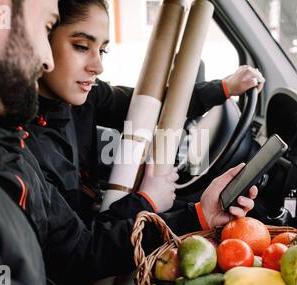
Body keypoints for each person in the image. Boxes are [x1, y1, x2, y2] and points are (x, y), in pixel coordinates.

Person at [0, 0, 257, 285]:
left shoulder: (6, 149)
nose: (45, 60)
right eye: (47, 29)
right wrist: (146, 202)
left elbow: (70, 251)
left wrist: (198, 214)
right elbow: (75, 256)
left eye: (103, 50)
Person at [24, 0, 265, 225]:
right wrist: (147, 201)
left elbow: (151, 105)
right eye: (81, 46)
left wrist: (225, 88)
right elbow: (79, 252)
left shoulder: (82, 98)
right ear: (40, 40)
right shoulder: (27, 145)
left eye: (102, 51)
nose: (98, 66)